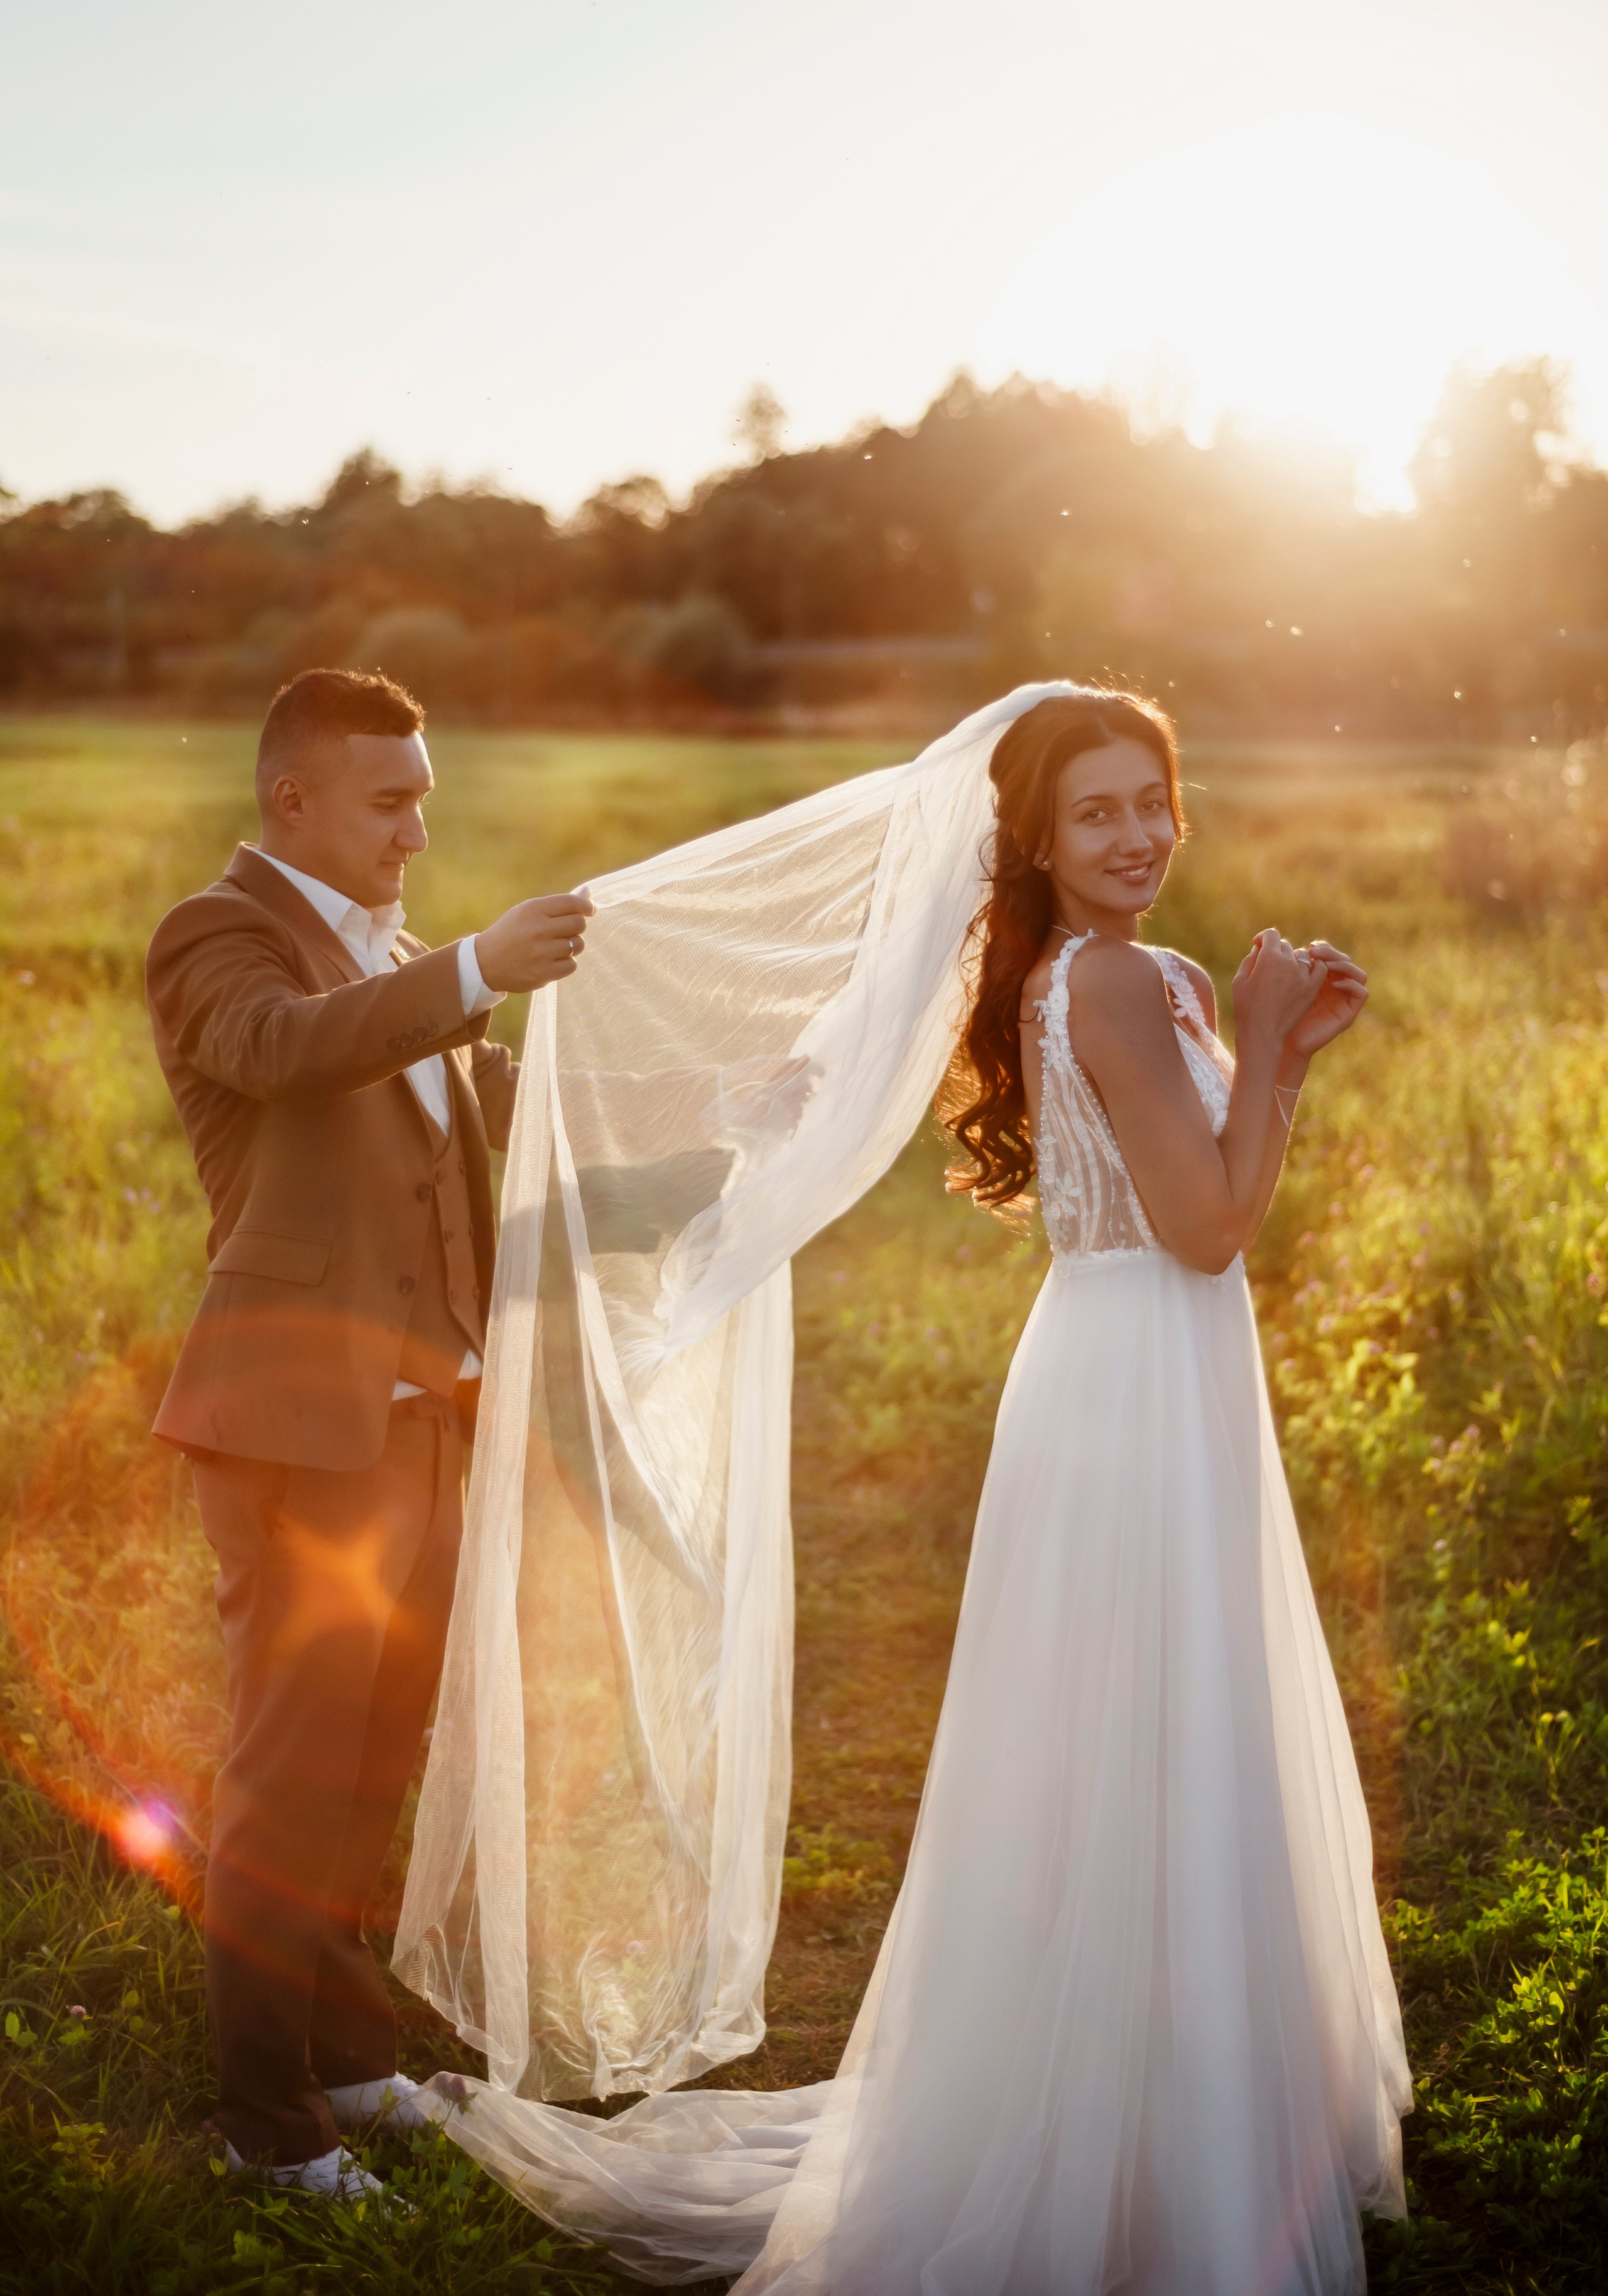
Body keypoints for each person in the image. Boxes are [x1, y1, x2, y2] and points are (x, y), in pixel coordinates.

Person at [398, 683, 1410, 2295]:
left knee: (1123, 1729)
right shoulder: (1120, 989)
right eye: (1094, 813)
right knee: (1153, 1718)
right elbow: (1212, 1228)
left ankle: (1143, 2101)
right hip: (1137, 1379)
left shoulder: (1104, 974)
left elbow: (1188, 1217)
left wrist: (1264, 1030)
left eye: (1149, 798)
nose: (1135, 833)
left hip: (1124, 1364)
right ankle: (1144, 2127)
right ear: (1035, 839)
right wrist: (1274, 1051)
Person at [144, 667, 592, 2199]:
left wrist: (718, 1131)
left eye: (424, 800)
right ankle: (266, 2132)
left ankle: (348, 2054)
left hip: (423, 1433)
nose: (416, 828)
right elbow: (284, 1048)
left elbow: (519, 1123)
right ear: (294, 802)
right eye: (388, 799)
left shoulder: (396, 958)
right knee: (285, 1777)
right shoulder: (219, 941)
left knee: (369, 1763)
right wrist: (474, 965)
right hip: (293, 1437)